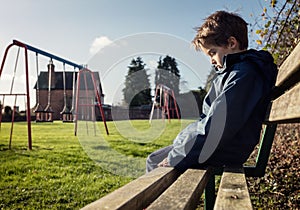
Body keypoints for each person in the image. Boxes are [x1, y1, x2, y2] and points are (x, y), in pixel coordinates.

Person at [146, 10, 278, 173]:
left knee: (156, 165)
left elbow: (219, 125)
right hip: (218, 146)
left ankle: (168, 199)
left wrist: (177, 156)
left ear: (231, 43)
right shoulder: (232, 73)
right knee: (154, 159)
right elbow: (208, 119)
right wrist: (182, 143)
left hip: (224, 148)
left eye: (213, 52)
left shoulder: (244, 75)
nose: (212, 61)